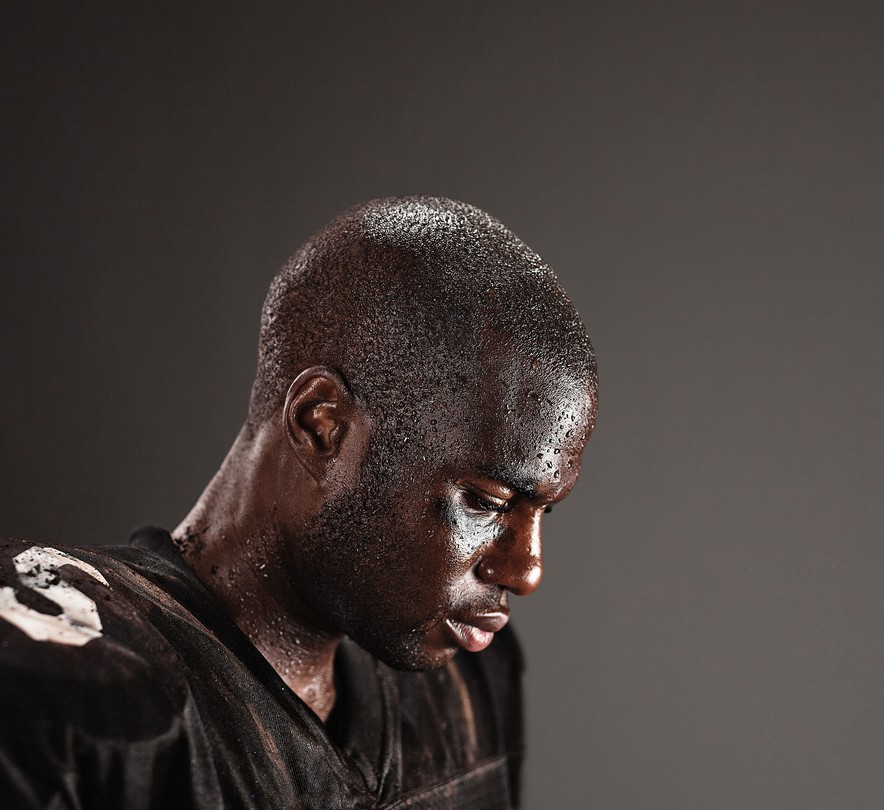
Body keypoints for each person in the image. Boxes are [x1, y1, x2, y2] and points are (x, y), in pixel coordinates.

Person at [0, 196, 598, 808]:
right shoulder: (52, 674)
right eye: (486, 502)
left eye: (542, 511)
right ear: (322, 425)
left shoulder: (465, 684)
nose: (526, 572)